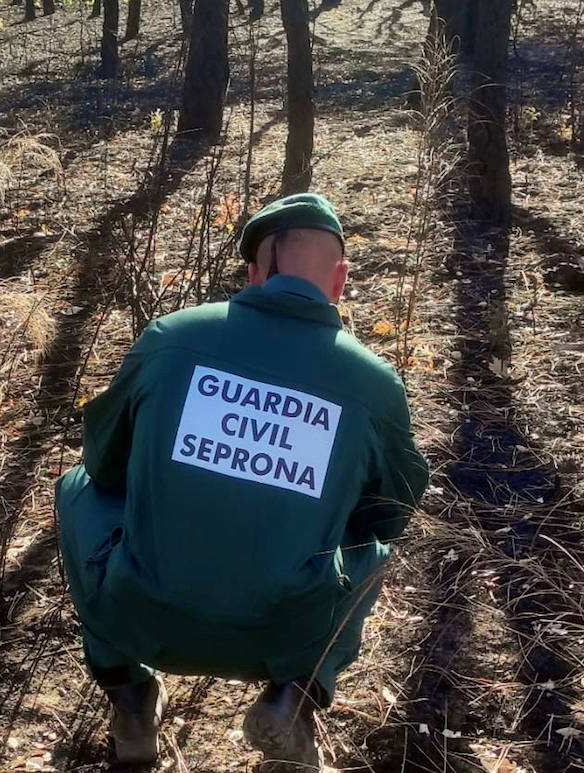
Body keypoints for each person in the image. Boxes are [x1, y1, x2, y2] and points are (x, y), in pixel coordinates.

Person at [55, 193, 429, 770]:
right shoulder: (373, 383)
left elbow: (103, 462)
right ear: (340, 280)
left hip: (144, 612)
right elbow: (389, 512)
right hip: (288, 632)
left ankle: (131, 704)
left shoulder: (172, 337)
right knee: (373, 552)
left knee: (77, 488)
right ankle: (294, 697)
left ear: (254, 273)